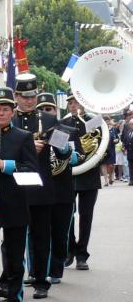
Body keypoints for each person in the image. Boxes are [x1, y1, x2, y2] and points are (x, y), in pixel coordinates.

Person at [0, 87, 38, 302]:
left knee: (14, 257)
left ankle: (14, 299)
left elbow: (32, 171)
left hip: (14, 205)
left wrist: (6, 165)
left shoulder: (22, 137)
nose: (1, 113)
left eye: (6, 109)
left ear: (12, 112)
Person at [12, 73, 70, 298]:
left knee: (41, 234)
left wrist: (64, 146)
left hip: (41, 184)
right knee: (14, 236)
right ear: (16, 96)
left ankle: (40, 279)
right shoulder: (10, 119)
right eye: (24, 96)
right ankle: (15, 276)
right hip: (15, 185)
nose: (28, 100)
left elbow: (62, 151)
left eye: (32, 96)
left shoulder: (47, 120)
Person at [63, 95, 99, 270]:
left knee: (86, 216)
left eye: (76, 101)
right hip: (68, 175)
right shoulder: (63, 123)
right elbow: (56, 147)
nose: (72, 105)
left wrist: (92, 159)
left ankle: (82, 254)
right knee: (67, 216)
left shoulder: (93, 121)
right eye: (70, 102)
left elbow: (102, 145)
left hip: (89, 175)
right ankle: (69, 249)